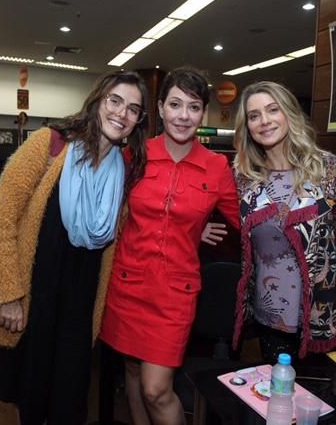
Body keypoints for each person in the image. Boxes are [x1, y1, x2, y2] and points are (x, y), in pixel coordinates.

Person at [0, 70, 149, 424]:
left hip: (81, 307)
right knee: (32, 399)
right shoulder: (50, 144)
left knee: (70, 403)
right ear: (97, 101)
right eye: (115, 101)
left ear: (138, 121)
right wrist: (9, 293)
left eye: (133, 109)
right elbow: (0, 218)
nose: (122, 113)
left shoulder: (125, 170)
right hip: (34, 301)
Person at [99, 67, 240, 424]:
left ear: (203, 113)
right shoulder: (134, 155)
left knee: (156, 389)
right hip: (127, 285)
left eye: (193, 107)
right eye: (175, 104)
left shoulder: (216, 167)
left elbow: (248, 222)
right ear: (159, 108)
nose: (183, 115)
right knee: (131, 371)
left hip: (175, 295)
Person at [231, 81, 336, 360]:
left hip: (322, 317)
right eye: (254, 116)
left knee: (320, 401)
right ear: (247, 127)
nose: (264, 121)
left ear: (289, 113)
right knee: (276, 397)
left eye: (272, 110)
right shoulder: (243, 177)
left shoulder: (330, 170)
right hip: (269, 318)